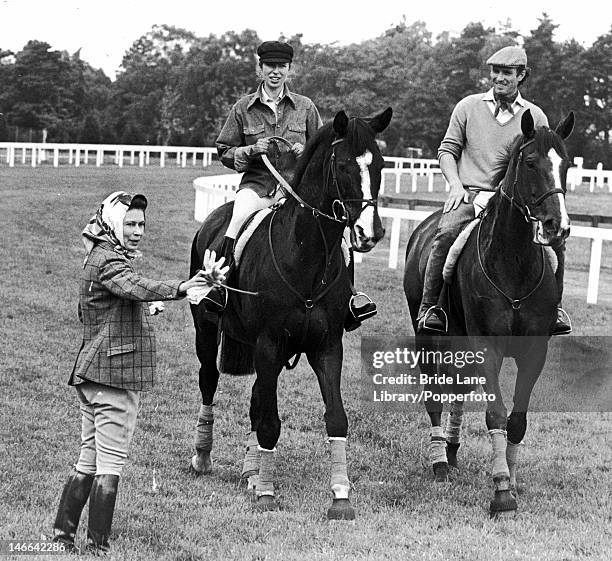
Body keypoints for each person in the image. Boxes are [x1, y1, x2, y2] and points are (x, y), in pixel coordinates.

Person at [51, 191, 226, 554]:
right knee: (110, 463)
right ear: (113, 222)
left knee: (89, 458)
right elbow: (135, 285)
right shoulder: (110, 261)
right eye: (129, 223)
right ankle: (98, 547)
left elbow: (98, 309)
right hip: (113, 378)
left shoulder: (99, 255)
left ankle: (61, 539)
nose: (137, 231)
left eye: (141, 224)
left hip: (93, 377)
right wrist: (183, 286)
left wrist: (142, 311)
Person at [202, 40, 377, 328]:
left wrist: (303, 151)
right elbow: (224, 151)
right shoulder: (242, 108)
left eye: (281, 67)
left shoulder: (306, 107)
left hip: (298, 192)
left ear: (288, 70)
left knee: (339, 235)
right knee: (236, 222)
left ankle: (349, 299)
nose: (275, 72)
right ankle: (220, 290)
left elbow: (325, 149)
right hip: (257, 186)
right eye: (270, 66)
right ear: (260, 69)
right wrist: (250, 150)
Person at [417, 45, 571, 336]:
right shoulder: (467, 107)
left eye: (507, 73)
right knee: (446, 235)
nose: (499, 78)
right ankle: (431, 308)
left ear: (521, 75)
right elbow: (447, 150)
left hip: (515, 203)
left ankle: (556, 310)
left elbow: (544, 165)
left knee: (557, 244)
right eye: (495, 71)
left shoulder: (536, 116)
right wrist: (455, 185)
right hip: (471, 194)